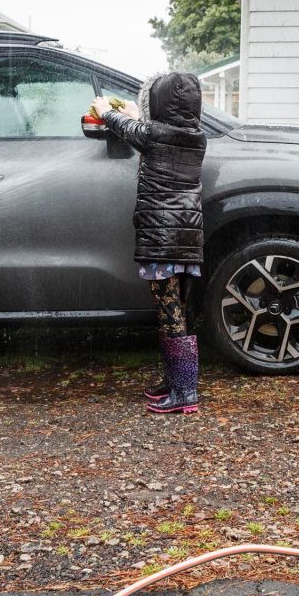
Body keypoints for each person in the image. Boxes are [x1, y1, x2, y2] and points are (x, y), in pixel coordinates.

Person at [91, 72, 206, 414]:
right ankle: (177, 382)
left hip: (162, 238)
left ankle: (185, 393)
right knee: (177, 310)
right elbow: (141, 128)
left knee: (168, 311)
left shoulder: (155, 134)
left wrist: (105, 110)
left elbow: (126, 128)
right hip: (186, 238)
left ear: (158, 104)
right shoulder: (196, 136)